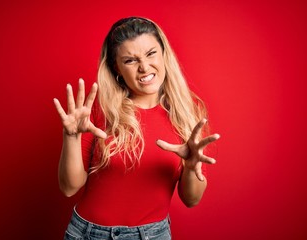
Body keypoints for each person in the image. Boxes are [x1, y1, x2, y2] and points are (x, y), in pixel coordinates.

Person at [53, 16, 220, 240]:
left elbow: (191, 199)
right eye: (130, 60)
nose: (144, 67)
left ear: (164, 54)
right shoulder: (99, 108)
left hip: (153, 235)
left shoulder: (188, 111)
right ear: (117, 69)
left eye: (151, 53)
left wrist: (191, 168)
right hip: (88, 234)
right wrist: (71, 136)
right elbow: (69, 187)